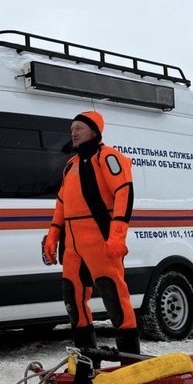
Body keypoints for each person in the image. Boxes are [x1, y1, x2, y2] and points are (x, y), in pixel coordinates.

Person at [42, 111, 140, 363]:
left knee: (114, 296)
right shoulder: (70, 166)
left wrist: (118, 234)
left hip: (101, 240)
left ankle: (130, 361)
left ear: (94, 131)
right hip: (72, 245)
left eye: (79, 128)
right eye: (71, 128)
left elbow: (123, 192)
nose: (73, 132)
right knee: (73, 300)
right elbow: (61, 204)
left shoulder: (107, 157)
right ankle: (87, 360)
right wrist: (53, 235)